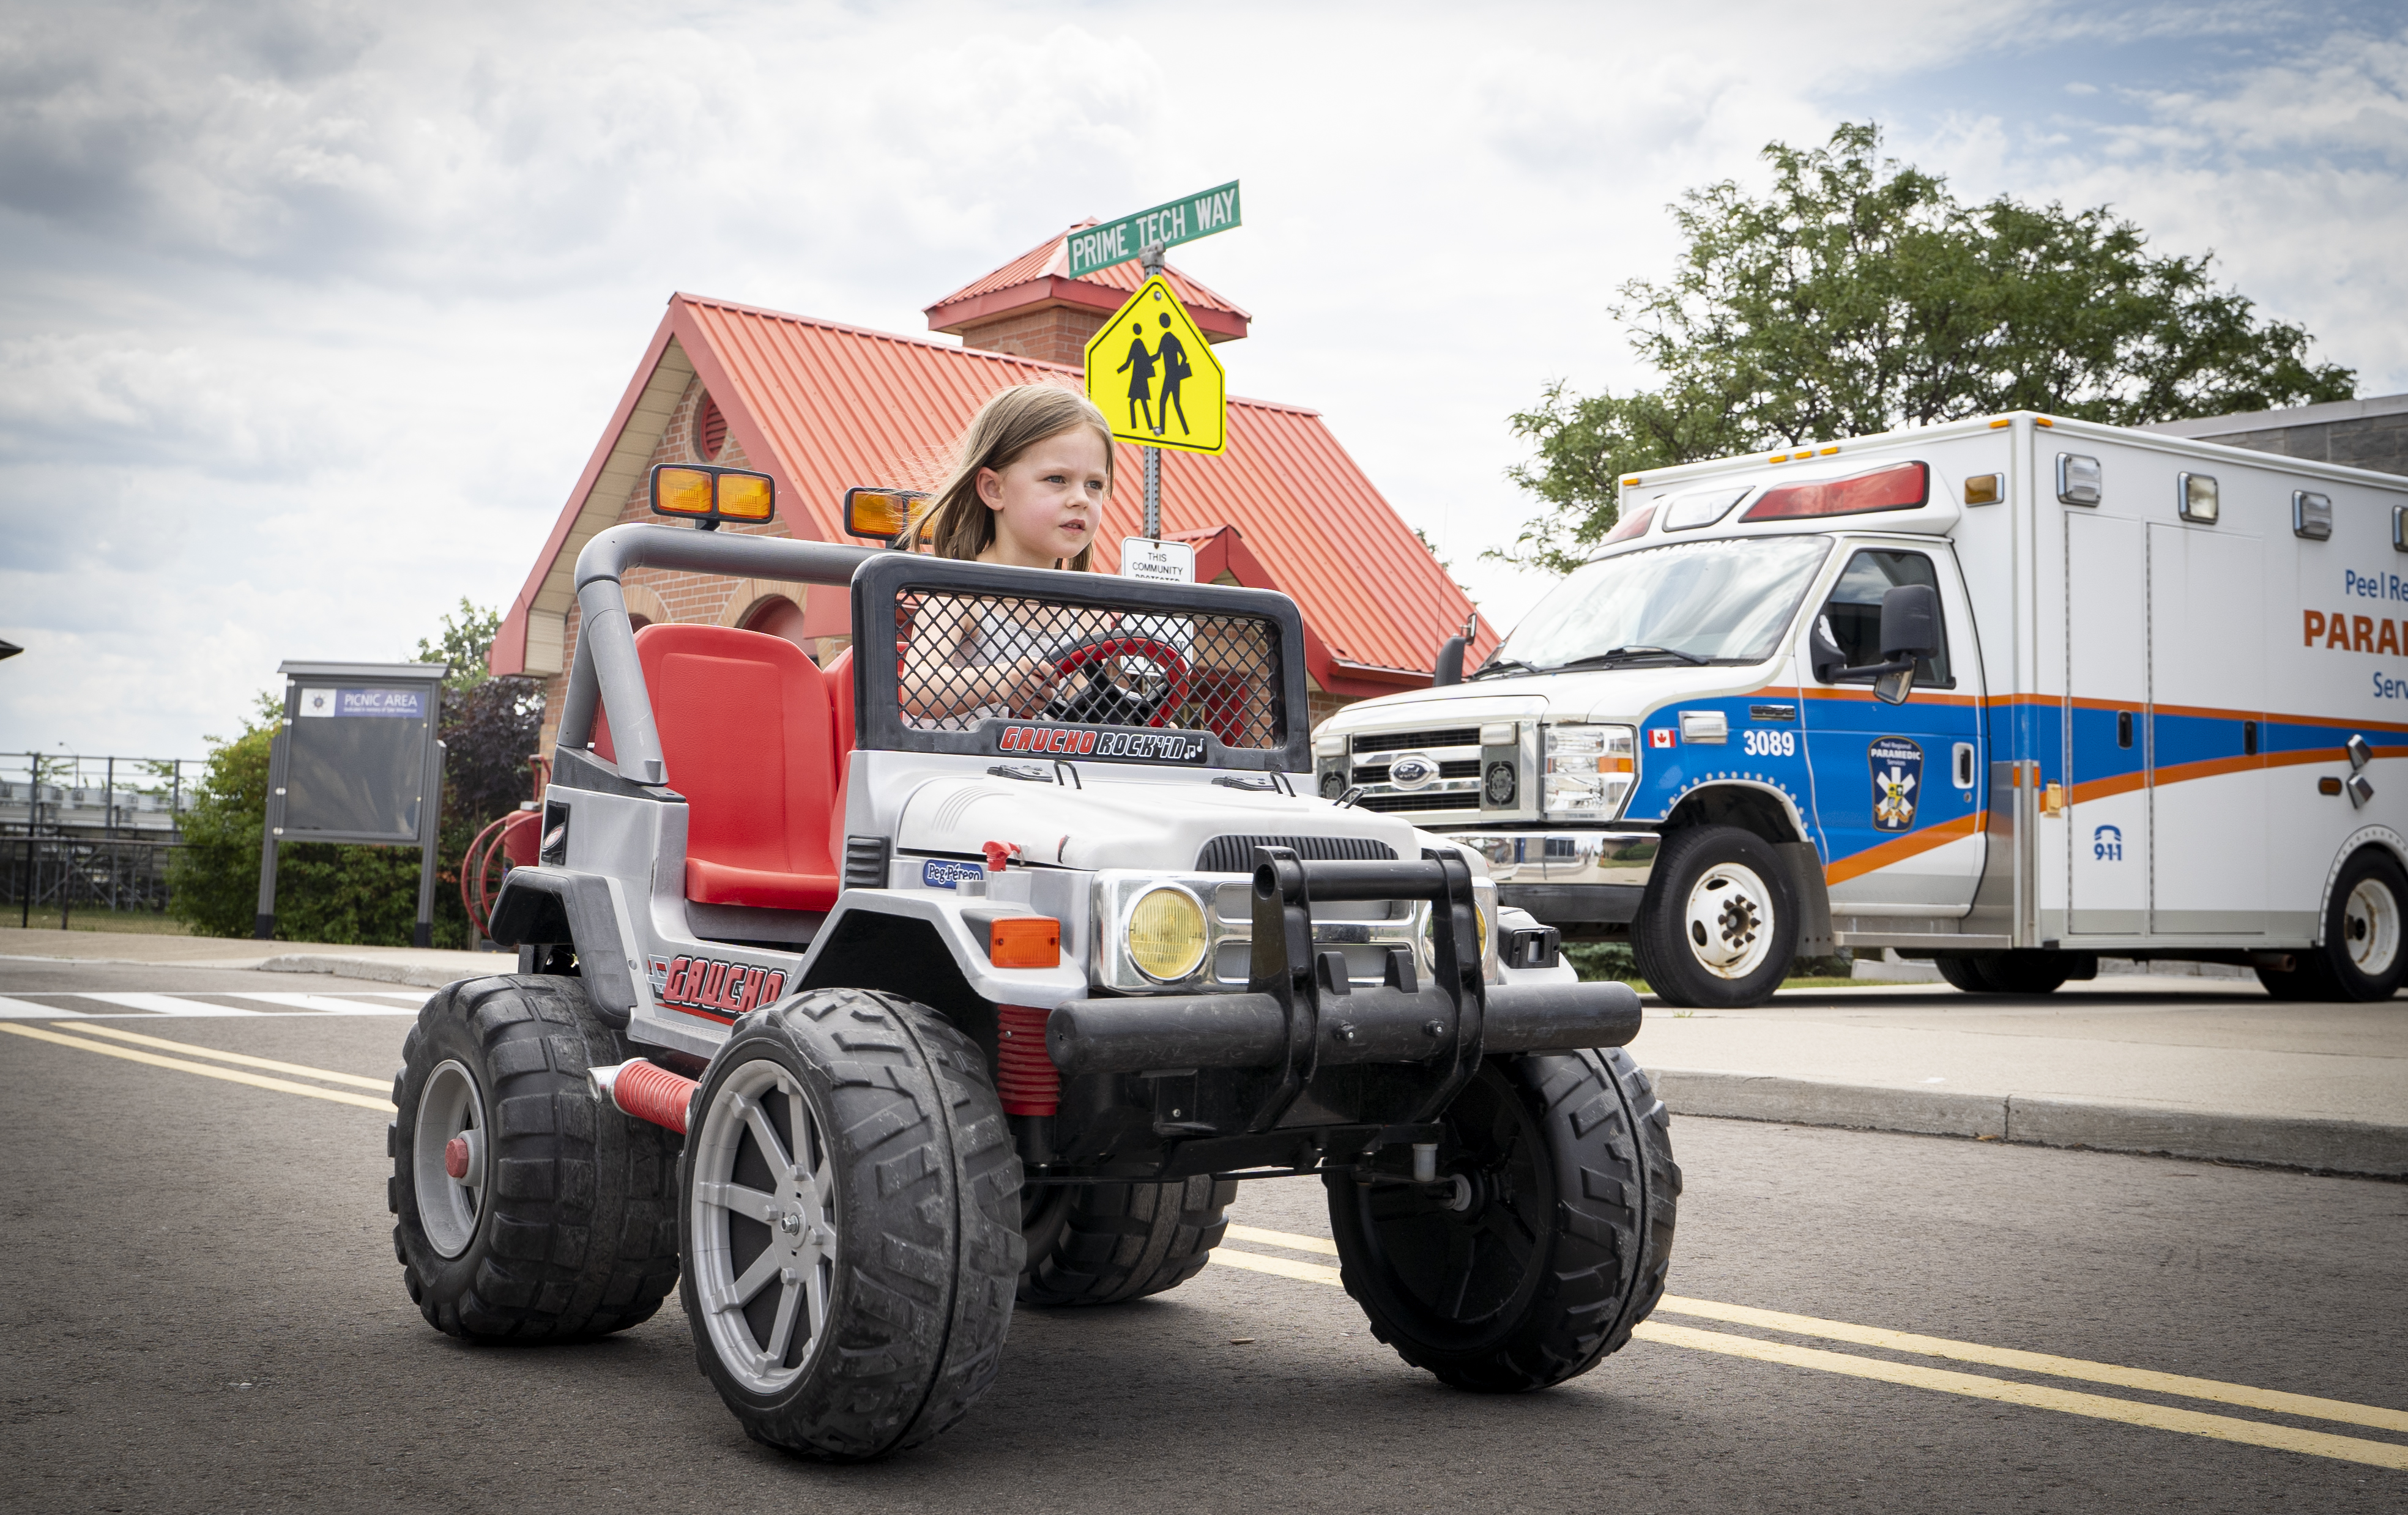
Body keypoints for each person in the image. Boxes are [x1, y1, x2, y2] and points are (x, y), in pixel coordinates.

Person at [900, 385, 1115, 728]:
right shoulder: (959, 592)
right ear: (993, 489)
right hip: (959, 774)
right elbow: (916, 688)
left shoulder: (1089, 615)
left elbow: (1084, 717)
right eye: (1057, 479)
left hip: (1050, 778)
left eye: (1095, 485)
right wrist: (1000, 681)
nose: (1082, 499)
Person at [1113, 321, 1158, 433]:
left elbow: (1129, 362)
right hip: (1140, 378)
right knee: (1139, 402)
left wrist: (1118, 371)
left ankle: (1139, 425)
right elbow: (1147, 360)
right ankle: (1147, 425)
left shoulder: (1136, 344)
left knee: (1135, 402)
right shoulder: (1140, 344)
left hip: (1138, 378)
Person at [1153, 313, 1192, 437]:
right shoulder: (1175, 339)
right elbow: (1185, 357)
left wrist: (1147, 360)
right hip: (1175, 376)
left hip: (1169, 376)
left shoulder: (1165, 338)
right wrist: (1179, 369)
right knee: (1176, 403)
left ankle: (1162, 430)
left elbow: (1158, 356)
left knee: (1162, 401)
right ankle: (1185, 430)